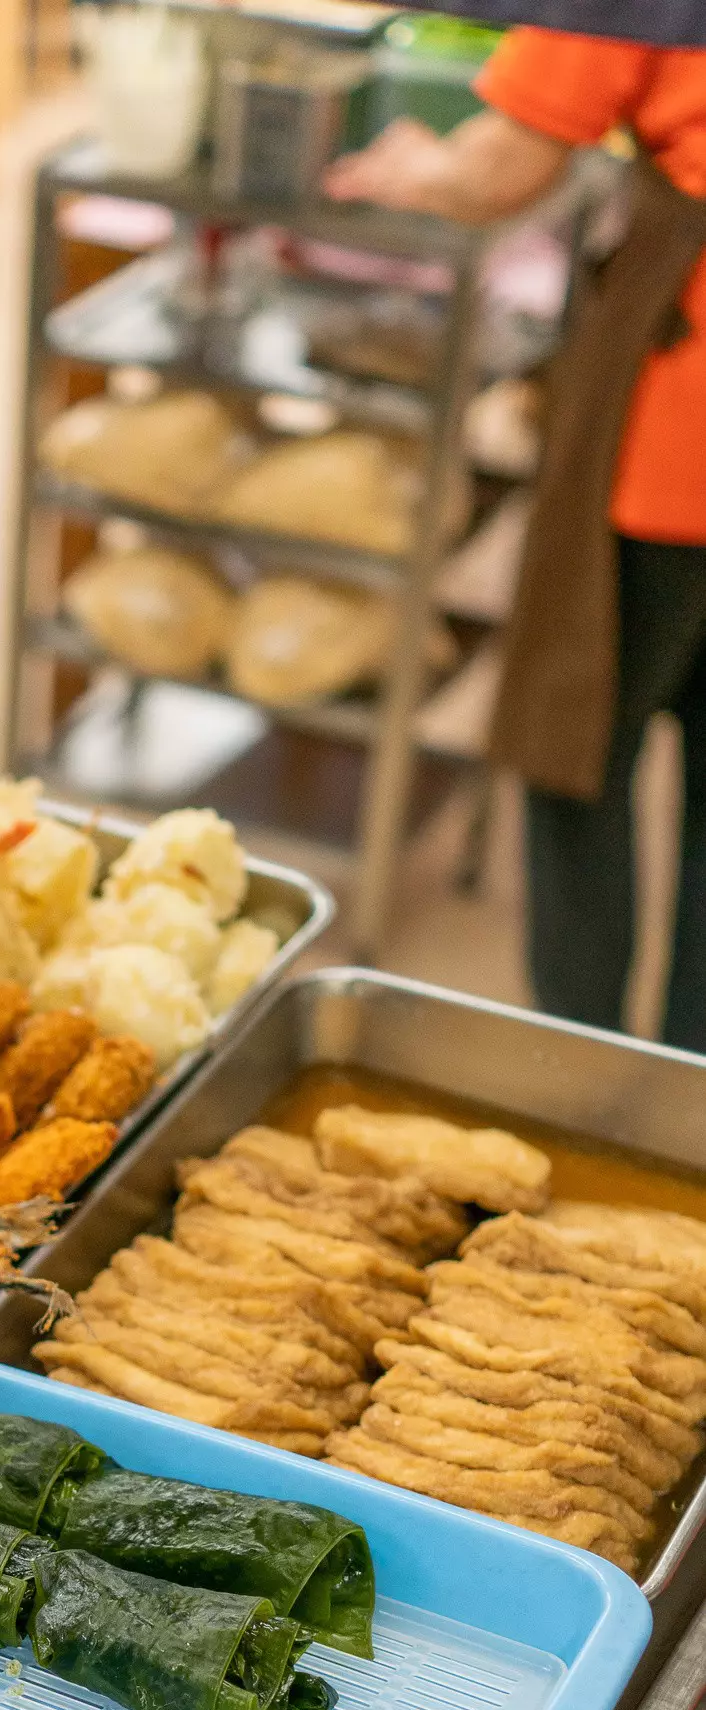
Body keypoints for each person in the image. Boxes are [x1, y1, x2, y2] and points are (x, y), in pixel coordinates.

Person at [326, 31, 706, 1052]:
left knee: (573, 743)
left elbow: (504, 166)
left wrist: (415, 169)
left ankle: (585, 1070)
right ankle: (687, 1095)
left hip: (677, 445)